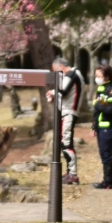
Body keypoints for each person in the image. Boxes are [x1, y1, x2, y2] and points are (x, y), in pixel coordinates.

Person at [47, 57, 84, 185]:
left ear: (61, 67)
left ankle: (73, 174)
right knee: (65, 142)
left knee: (66, 143)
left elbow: (63, 90)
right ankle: (70, 172)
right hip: (69, 112)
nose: (57, 75)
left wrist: (52, 92)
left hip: (68, 113)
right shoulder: (75, 74)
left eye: (56, 72)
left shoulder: (71, 74)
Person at [92, 64, 112, 190]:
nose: (97, 78)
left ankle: (109, 182)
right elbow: (96, 112)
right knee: (103, 153)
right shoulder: (101, 89)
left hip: (108, 127)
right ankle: (108, 180)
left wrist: (98, 105)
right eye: (96, 75)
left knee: (106, 154)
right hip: (100, 127)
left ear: (107, 76)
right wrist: (94, 126)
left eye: (99, 76)